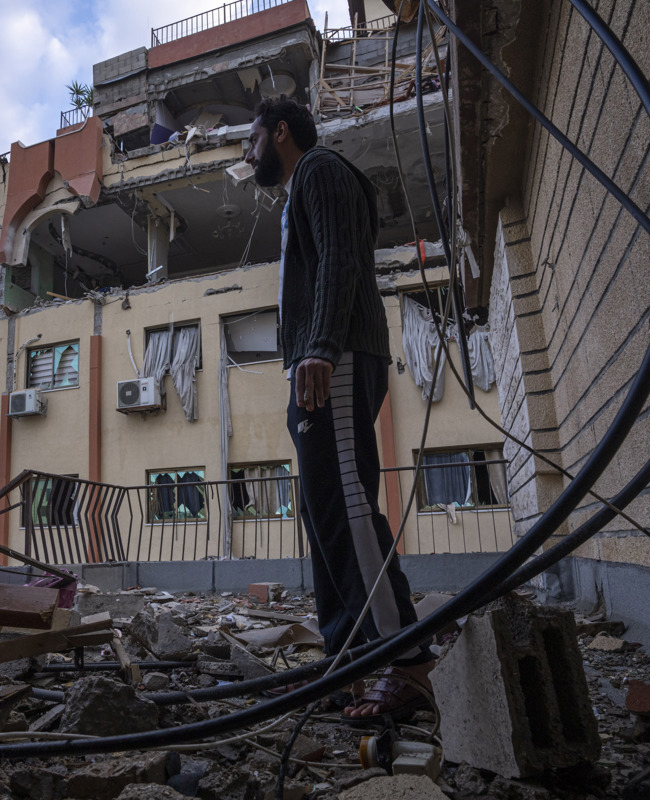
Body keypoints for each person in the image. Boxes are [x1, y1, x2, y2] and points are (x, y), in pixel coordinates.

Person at [246, 97, 435, 721]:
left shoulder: (322, 169)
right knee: (324, 510)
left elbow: (341, 260)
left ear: (279, 133)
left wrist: (321, 346)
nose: (248, 155)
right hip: (318, 356)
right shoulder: (304, 186)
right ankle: (343, 661)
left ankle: (406, 662)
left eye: (252, 141)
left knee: (348, 505)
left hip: (338, 353)